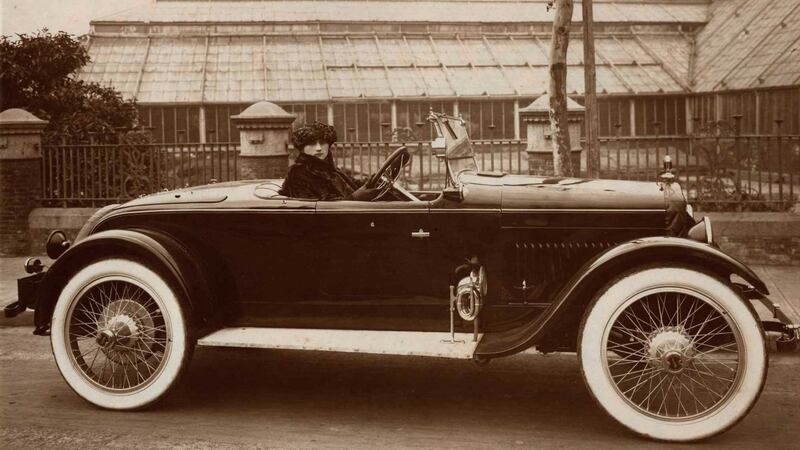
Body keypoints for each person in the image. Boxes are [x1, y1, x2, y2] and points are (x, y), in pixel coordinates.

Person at [279, 121, 378, 201]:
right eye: (312, 144)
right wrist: (354, 198)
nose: (318, 148)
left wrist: (375, 180)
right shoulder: (298, 173)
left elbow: (354, 183)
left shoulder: (331, 169)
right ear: (302, 148)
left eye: (322, 143)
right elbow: (312, 210)